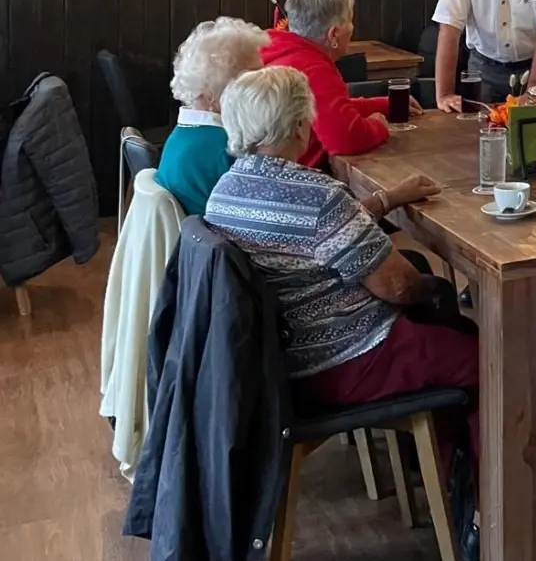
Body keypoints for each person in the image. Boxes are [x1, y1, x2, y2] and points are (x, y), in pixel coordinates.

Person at [202, 67, 477, 483]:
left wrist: (385, 202)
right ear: (299, 125)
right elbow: (398, 286)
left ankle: (439, 464)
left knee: (442, 325)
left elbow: (314, 236)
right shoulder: (318, 195)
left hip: (275, 361)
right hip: (340, 362)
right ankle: (480, 499)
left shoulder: (224, 192)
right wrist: (435, 293)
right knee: (483, 363)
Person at [261, 0, 418, 169]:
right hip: (295, 179)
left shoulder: (280, 50)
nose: (352, 28)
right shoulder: (313, 68)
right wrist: (379, 125)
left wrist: (383, 104)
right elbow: (346, 138)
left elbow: (325, 109)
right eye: (350, 21)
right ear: (333, 34)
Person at [155, 17, 268, 215]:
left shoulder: (182, 135)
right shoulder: (229, 147)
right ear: (211, 92)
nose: (262, 88)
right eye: (251, 79)